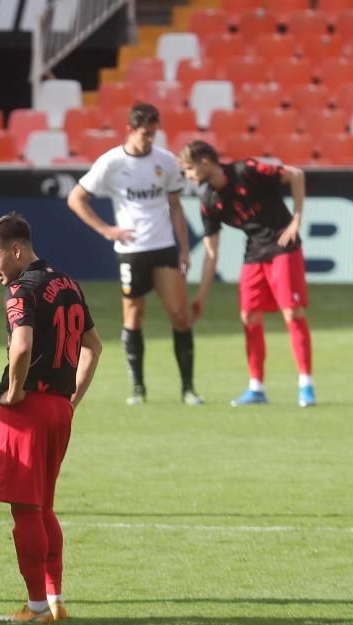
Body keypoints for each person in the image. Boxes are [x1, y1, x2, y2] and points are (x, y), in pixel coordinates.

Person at [0, 212, 102, 623]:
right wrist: (71, 399)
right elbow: (93, 345)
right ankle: (55, 601)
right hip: (58, 409)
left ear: (17, 250)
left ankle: (34, 607)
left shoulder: (21, 289)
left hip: (28, 409)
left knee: (25, 509)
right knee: (45, 506)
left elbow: (21, 346)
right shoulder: (67, 282)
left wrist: (14, 391)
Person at [67, 103, 202, 406]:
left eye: (154, 134)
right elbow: (76, 198)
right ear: (130, 130)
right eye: (145, 134)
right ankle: (138, 389)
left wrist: (183, 248)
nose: (150, 140)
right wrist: (105, 230)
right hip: (131, 250)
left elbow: (176, 207)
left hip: (163, 247)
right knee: (134, 315)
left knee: (180, 316)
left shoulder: (165, 161)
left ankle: (188, 389)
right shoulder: (111, 162)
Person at [178, 141, 315, 407]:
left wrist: (297, 219)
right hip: (255, 251)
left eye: (189, 169)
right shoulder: (209, 202)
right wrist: (201, 298)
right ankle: (256, 388)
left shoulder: (247, 170)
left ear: (205, 162)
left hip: (283, 245)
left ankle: (306, 384)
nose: (188, 176)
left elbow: (296, 174)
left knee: (292, 312)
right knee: (249, 316)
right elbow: (211, 254)